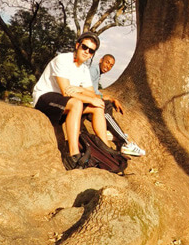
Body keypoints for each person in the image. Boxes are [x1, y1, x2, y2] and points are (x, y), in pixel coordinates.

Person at [32, 32, 109, 170]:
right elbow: (65, 91)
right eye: (84, 47)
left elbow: (92, 93)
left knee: (97, 108)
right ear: (77, 45)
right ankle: (73, 156)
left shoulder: (84, 69)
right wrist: (86, 96)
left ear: (92, 55)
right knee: (77, 103)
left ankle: (106, 150)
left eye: (91, 50)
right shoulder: (62, 60)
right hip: (45, 98)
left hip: (65, 103)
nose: (87, 52)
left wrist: (78, 89)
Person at [89, 53, 145, 157]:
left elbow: (95, 90)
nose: (108, 66)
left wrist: (111, 99)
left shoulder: (97, 72)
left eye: (111, 65)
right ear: (101, 60)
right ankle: (125, 142)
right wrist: (105, 98)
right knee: (104, 112)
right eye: (107, 62)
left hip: (88, 100)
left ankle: (108, 129)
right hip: (84, 103)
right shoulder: (93, 70)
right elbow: (88, 92)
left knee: (108, 104)